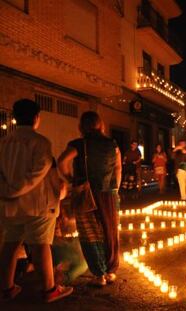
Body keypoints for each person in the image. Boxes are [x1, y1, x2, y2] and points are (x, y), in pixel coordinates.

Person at [0, 99, 73, 302]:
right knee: (41, 245)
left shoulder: (3, 143)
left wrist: (6, 191)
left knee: (10, 245)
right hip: (37, 205)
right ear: (36, 118)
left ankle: (6, 288)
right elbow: (37, 174)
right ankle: (50, 290)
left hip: (10, 205)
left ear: (15, 118)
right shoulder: (41, 143)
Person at [58, 111, 122, 287]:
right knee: (109, 231)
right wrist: (115, 189)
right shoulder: (112, 144)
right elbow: (118, 168)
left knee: (90, 234)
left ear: (81, 126)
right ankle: (110, 271)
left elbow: (62, 161)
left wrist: (70, 179)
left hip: (86, 193)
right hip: (109, 193)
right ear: (100, 125)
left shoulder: (78, 144)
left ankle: (98, 274)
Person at [52, 204, 88, 286]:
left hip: (52, 249)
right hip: (53, 248)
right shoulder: (55, 214)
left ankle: (60, 275)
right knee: (84, 262)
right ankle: (63, 277)